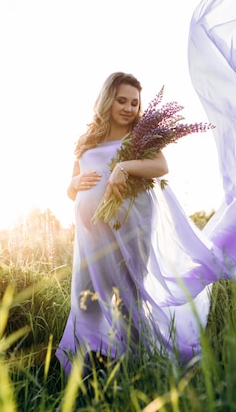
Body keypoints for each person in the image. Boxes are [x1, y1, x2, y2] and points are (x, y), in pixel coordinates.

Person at [56, 72, 175, 373]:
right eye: (122, 100)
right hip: (90, 236)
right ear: (107, 100)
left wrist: (124, 166)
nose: (129, 108)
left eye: (134, 103)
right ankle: (85, 363)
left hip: (129, 229)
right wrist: (76, 181)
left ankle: (136, 364)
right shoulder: (87, 140)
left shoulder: (139, 136)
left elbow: (161, 166)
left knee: (126, 294)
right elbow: (71, 192)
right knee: (87, 298)